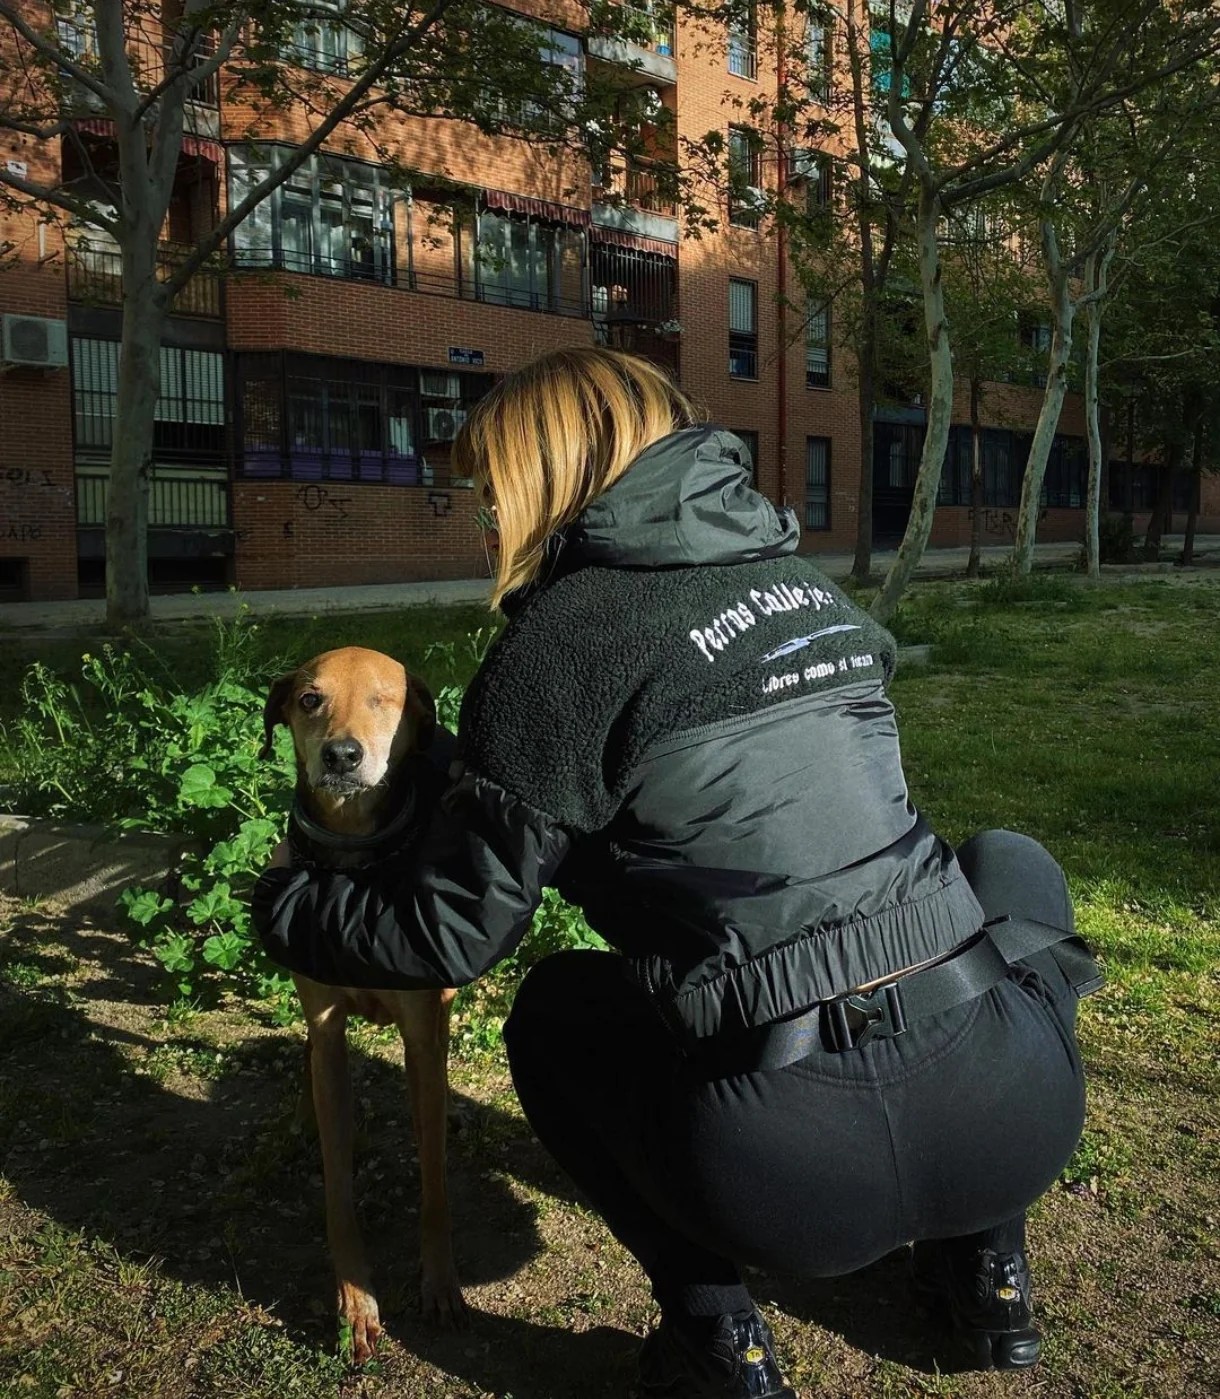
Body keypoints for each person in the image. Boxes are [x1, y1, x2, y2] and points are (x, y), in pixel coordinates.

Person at [252, 347, 1099, 1398]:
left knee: (554, 1011)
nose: (478, 518)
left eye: (485, 490)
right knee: (1005, 865)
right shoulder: (807, 588)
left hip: (787, 1174)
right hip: (1014, 1117)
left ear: (545, 479)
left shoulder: (557, 651)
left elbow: (447, 938)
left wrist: (286, 894)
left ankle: (717, 1336)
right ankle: (988, 1272)